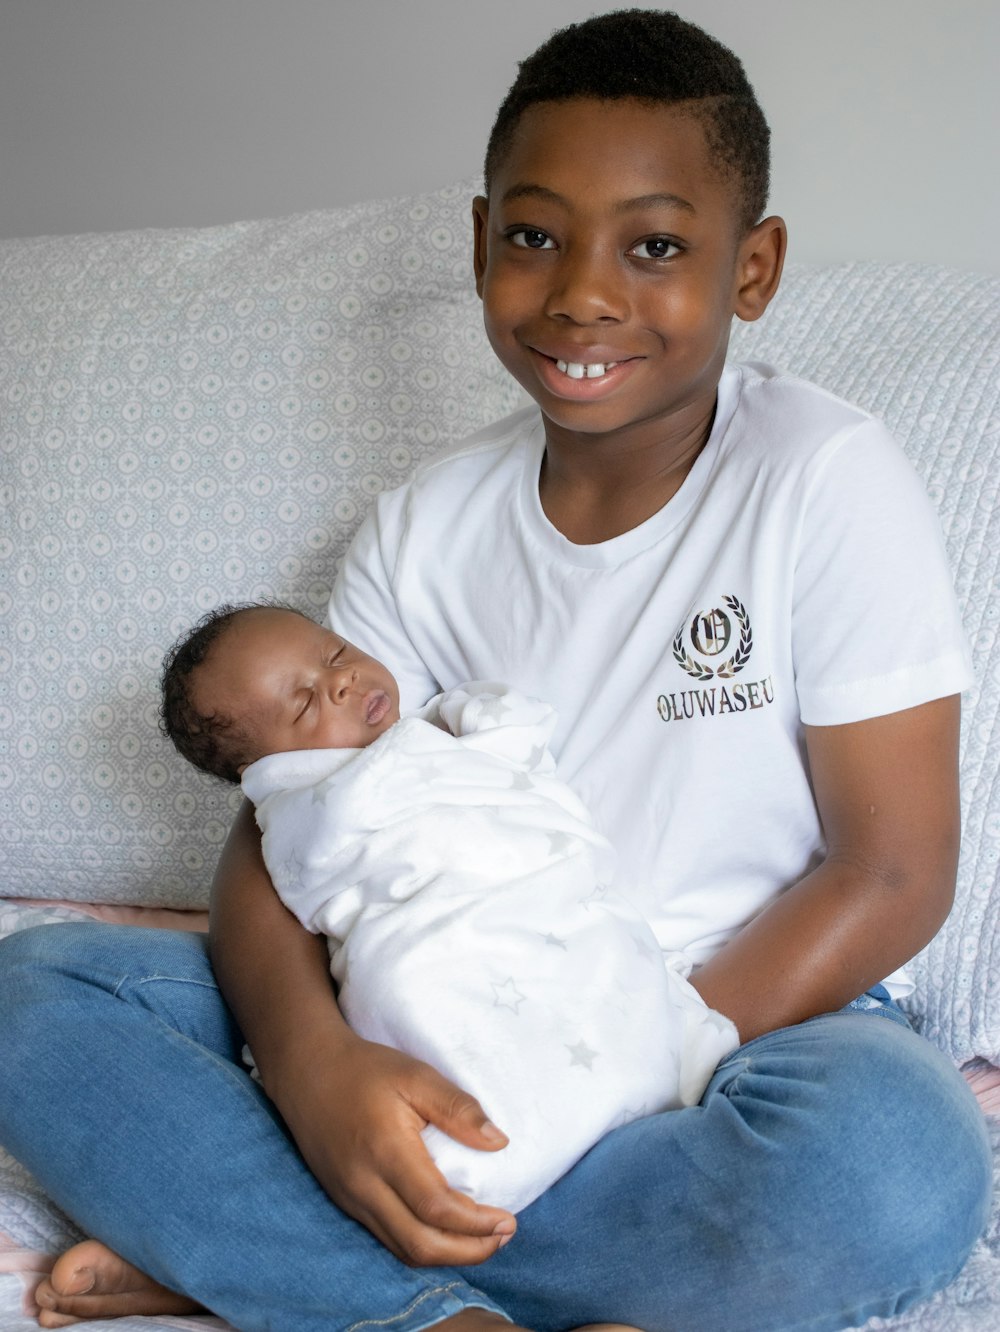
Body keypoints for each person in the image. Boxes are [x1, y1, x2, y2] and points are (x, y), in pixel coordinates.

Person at [0, 9, 992, 1332]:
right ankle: (422, 1295)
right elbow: (280, 831)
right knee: (35, 996)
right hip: (441, 1009)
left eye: (655, 246)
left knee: (897, 1169)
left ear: (752, 271)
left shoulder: (822, 478)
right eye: (535, 236)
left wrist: (628, 1053)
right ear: (479, 244)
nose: (584, 293)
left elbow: (893, 870)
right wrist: (315, 1070)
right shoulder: (428, 523)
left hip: (732, 1034)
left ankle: (283, 1271)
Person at [159, 601, 738, 1213]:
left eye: (336, 654)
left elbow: (520, 753)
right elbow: (313, 870)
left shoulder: (444, 732)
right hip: (433, 951)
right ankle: (445, 1193)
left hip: (559, 918)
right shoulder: (315, 811)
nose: (341, 682)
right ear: (277, 769)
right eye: (304, 704)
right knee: (65, 971)